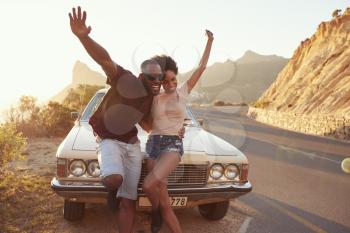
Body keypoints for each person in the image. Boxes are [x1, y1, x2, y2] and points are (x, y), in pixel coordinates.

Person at [68, 6, 167, 233]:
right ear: (141, 76)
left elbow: (149, 126)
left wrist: (171, 129)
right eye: (152, 77)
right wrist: (84, 38)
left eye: (159, 79)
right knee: (114, 180)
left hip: (132, 145)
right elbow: (104, 59)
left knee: (129, 202)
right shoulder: (125, 80)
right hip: (108, 140)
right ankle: (112, 190)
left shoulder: (151, 100)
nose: (157, 82)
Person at [142, 30, 214, 233]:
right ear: (160, 81)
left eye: (174, 79)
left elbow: (202, 67)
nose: (171, 84)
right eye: (166, 81)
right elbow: (143, 121)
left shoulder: (183, 91)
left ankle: (154, 213)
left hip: (173, 145)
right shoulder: (154, 97)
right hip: (153, 144)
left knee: (148, 185)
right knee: (165, 202)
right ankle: (161, 218)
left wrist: (210, 41)